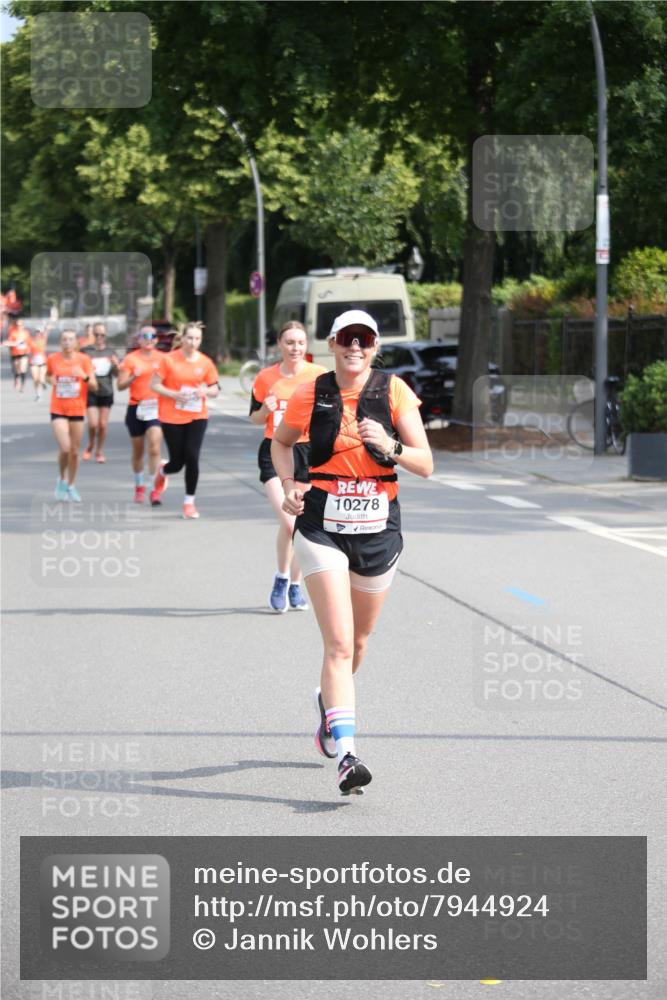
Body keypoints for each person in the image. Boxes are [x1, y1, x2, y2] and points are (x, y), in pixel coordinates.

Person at [272, 310, 433, 795]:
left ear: (375, 344)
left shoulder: (395, 391)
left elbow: (426, 463)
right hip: (321, 523)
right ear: (333, 344)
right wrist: (287, 484)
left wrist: (391, 445)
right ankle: (347, 754)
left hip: (378, 527)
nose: (355, 347)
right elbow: (282, 445)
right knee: (339, 644)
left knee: (359, 643)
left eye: (363, 340)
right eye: (346, 339)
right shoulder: (311, 391)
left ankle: (328, 704)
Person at [249, 321, 328, 613]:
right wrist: (265, 410)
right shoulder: (265, 377)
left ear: (306, 345)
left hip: (308, 453)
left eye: (300, 342)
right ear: (280, 345)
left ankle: (294, 584)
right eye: (290, 342)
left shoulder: (319, 376)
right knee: (289, 520)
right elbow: (255, 419)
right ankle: (281, 578)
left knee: (302, 524)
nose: (296, 348)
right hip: (274, 450)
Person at [150, 322, 219, 518]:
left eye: (197, 338)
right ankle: (163, 470)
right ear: (183, 338)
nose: (193, 342)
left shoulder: (205, 362)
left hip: (197, 414)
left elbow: (215, 389)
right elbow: (154, 385)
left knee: (192, 456)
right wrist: (173, 394)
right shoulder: (169, 360)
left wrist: (204, 390)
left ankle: (189, 503)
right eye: (190, 338)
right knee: (177, 463)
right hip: (171, 415)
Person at [45, 329, 98, 501]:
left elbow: (94, 386)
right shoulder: (53, 359)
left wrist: (83, 376)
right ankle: (61, 478)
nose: (67, 342)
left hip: (77, 409)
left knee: (75, 452)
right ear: (60, 342)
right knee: (66, 448)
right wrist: (50, 380)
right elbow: (48, 375)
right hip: (58, 408)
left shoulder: (84, 360)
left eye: (70, 339)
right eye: (64, 339)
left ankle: (71, 485)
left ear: (76, 342)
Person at [116, 326, 164, 504]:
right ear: (139, 340)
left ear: (156, 340)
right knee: (138, 451)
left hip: (156, 408)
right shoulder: (130, 359)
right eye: (145, 336)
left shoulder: (163, 359)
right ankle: (139, 486)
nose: (149, 339)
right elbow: (120, 386)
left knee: (154, 447)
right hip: (136, 408)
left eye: (152, 336)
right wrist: (132, 378)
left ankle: (154, 489)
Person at [82, 323, 119, 462]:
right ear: (92, 335)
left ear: (105, 336)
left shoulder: (110, 352)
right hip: (90, 390)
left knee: (102, 424)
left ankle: (99, 451)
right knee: (93, 423)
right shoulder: (85, 351)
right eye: (96, 334)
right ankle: (91, 444)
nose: (99, 337)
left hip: (106, 391)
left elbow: (116, 374)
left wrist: (116, 366)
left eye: (102, 335)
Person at [5, 317, 30, 391]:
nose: (19, 326)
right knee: (17, 369)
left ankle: (22, 385)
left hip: (24, 353)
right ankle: (16, 379)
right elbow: (8, 342)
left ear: (23, 325)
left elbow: (29, 342)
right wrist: (14, 343)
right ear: (16, 325)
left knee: (23, 368)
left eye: (21, 325)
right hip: (15, 353)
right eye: (18, 325)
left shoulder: (26, 333)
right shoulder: (13, 332)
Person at [28, 325, 49, 400]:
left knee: (41, 378)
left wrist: (52, 319)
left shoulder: (43, 339)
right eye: (37, 332)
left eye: (39, 332)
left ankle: (42, 387)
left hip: (42, 362)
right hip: (33, 362)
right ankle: (38, 393)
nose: (38, 333)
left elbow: (47, 331)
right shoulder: (31, 340)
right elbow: (27, 346)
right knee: (35, 379)